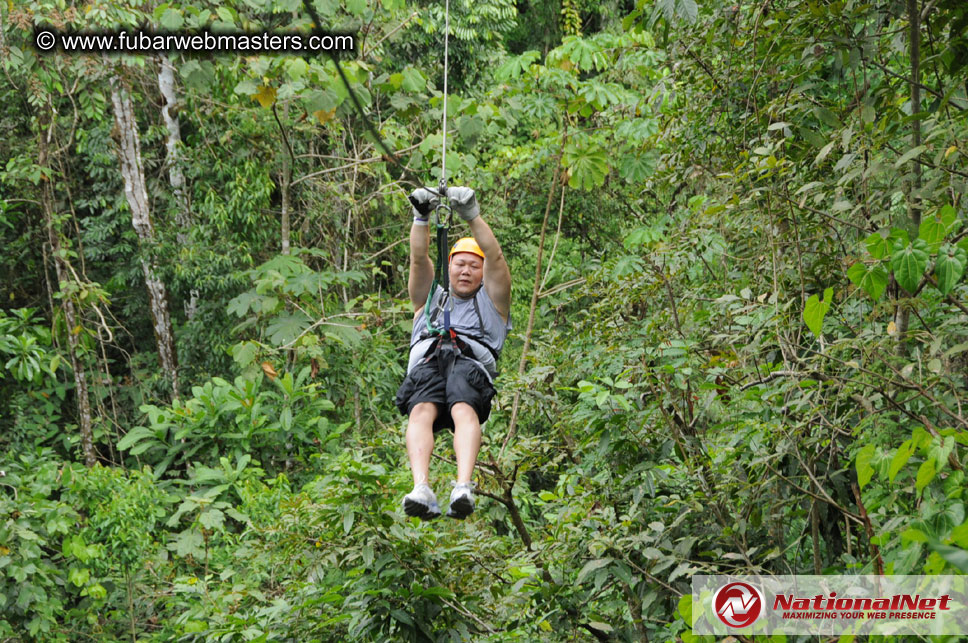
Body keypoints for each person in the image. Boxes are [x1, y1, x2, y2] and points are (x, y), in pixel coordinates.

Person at [395, 186, 511, 520]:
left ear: (482, 273)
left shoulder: (493, 301)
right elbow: (419, 260)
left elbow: (496, 259)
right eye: (460, 264)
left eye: (474, 266)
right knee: (420, 410)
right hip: (429, 360)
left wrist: (471, 215)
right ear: (449, 267)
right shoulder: (429, 298)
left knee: (462, 406)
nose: (466, 271)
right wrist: (421, 218)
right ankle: (421, 487)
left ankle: (463, 486)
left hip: (469, 363)